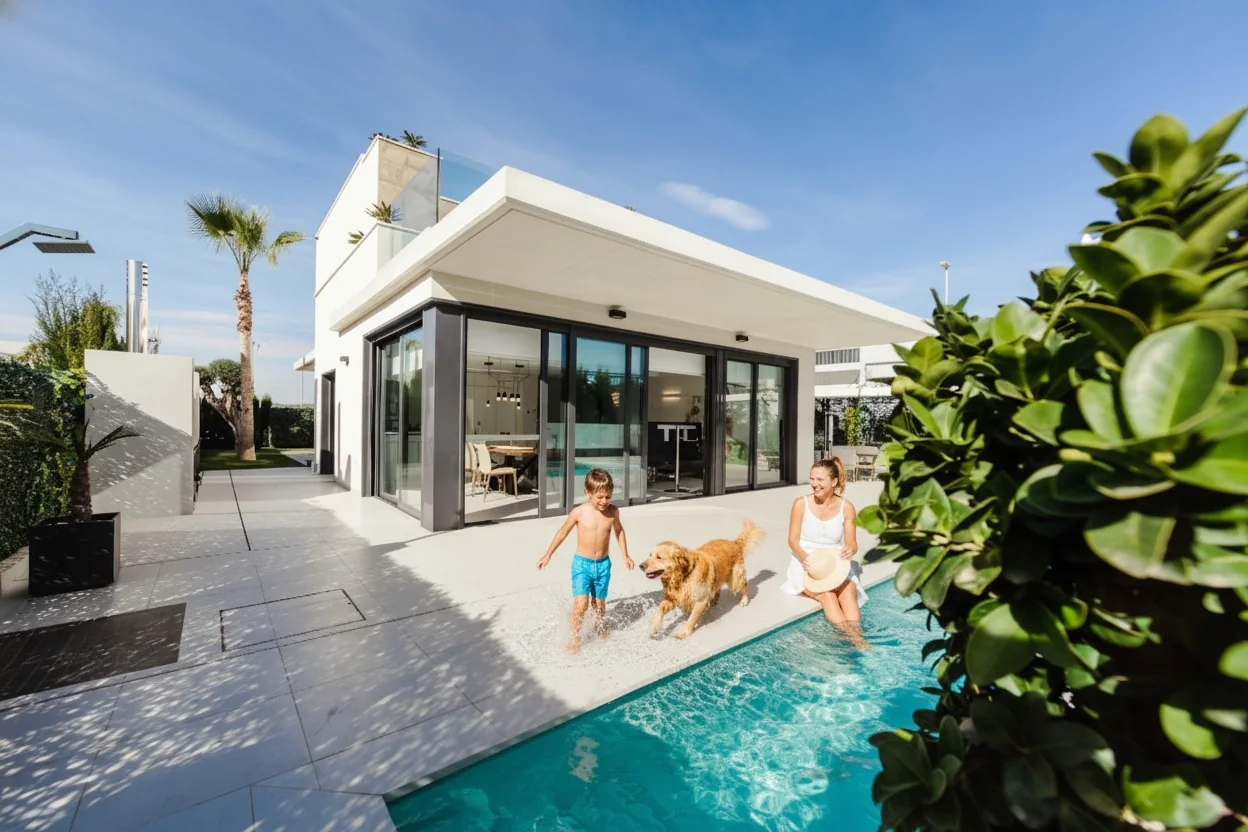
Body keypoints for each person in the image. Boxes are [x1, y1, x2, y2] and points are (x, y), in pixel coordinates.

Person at [537, 468, 634, 653]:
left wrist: (625, 555)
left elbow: (619, 531)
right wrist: (548, 554)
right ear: (588, 493)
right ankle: (574, 638)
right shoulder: (579, 512)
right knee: (581, 604)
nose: (604, 501)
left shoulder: (613, 512)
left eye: (608, 497)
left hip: (603, 565)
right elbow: (562, 532)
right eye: (600, 497)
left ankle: (599, 628)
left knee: (599, 606)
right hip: (582, 564)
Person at [782, 457, 868, 645]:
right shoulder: (801, 504)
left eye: (820, 480)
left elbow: (852, 543)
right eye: (812, 479)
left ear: (834, 482)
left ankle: (857, 636)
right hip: (805, 562)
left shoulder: (847, 508)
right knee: (827, 596)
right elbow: (792, 540)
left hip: (834, 563)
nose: (815, 484)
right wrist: (804, 558)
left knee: (848, 592)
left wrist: (850, 550)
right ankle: (855, 641)